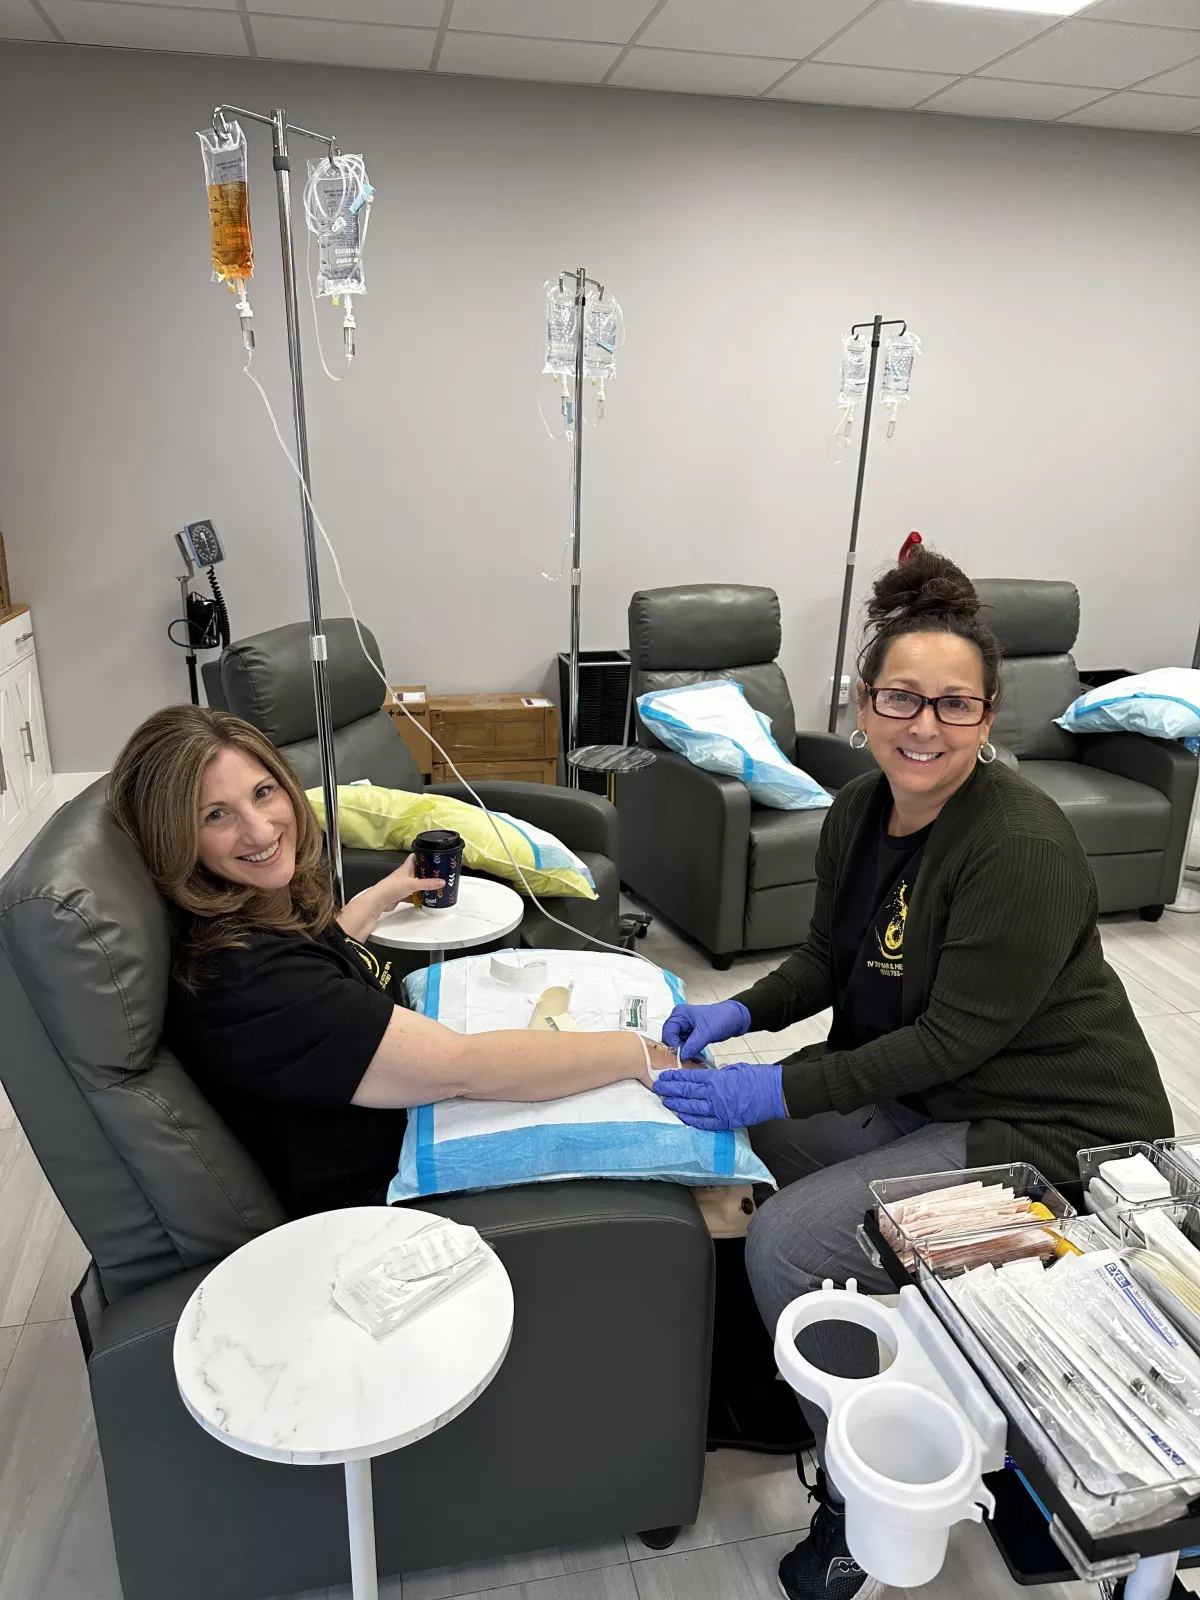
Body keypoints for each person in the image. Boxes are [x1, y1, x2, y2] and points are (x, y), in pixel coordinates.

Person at [652, 549, 1173, 1600]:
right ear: (862, 702)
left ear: (988, 718)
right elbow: (826, 961)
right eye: (901, 697)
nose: (923, 725)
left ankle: (863, 1500)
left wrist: (779, 1083)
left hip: (1043, 1123)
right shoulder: (856, 814)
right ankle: (775, 1384)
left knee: (791, 1245)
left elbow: (951, 1043)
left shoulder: (1017, 845)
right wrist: (740, 1014)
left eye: (953, 704)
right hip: (927, 1094)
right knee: (741, 1154)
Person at [108, 704, 673, 1219]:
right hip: (381, 1203)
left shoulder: (244, 921)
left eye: (262, 793)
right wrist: (639, 1053)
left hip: (391, 1124)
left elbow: (320, 955)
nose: (260, 830)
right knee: (650, 1129)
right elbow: (461, 1066)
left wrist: (381, 895)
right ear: (175, 836)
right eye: (216, 815)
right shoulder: (251, 982)